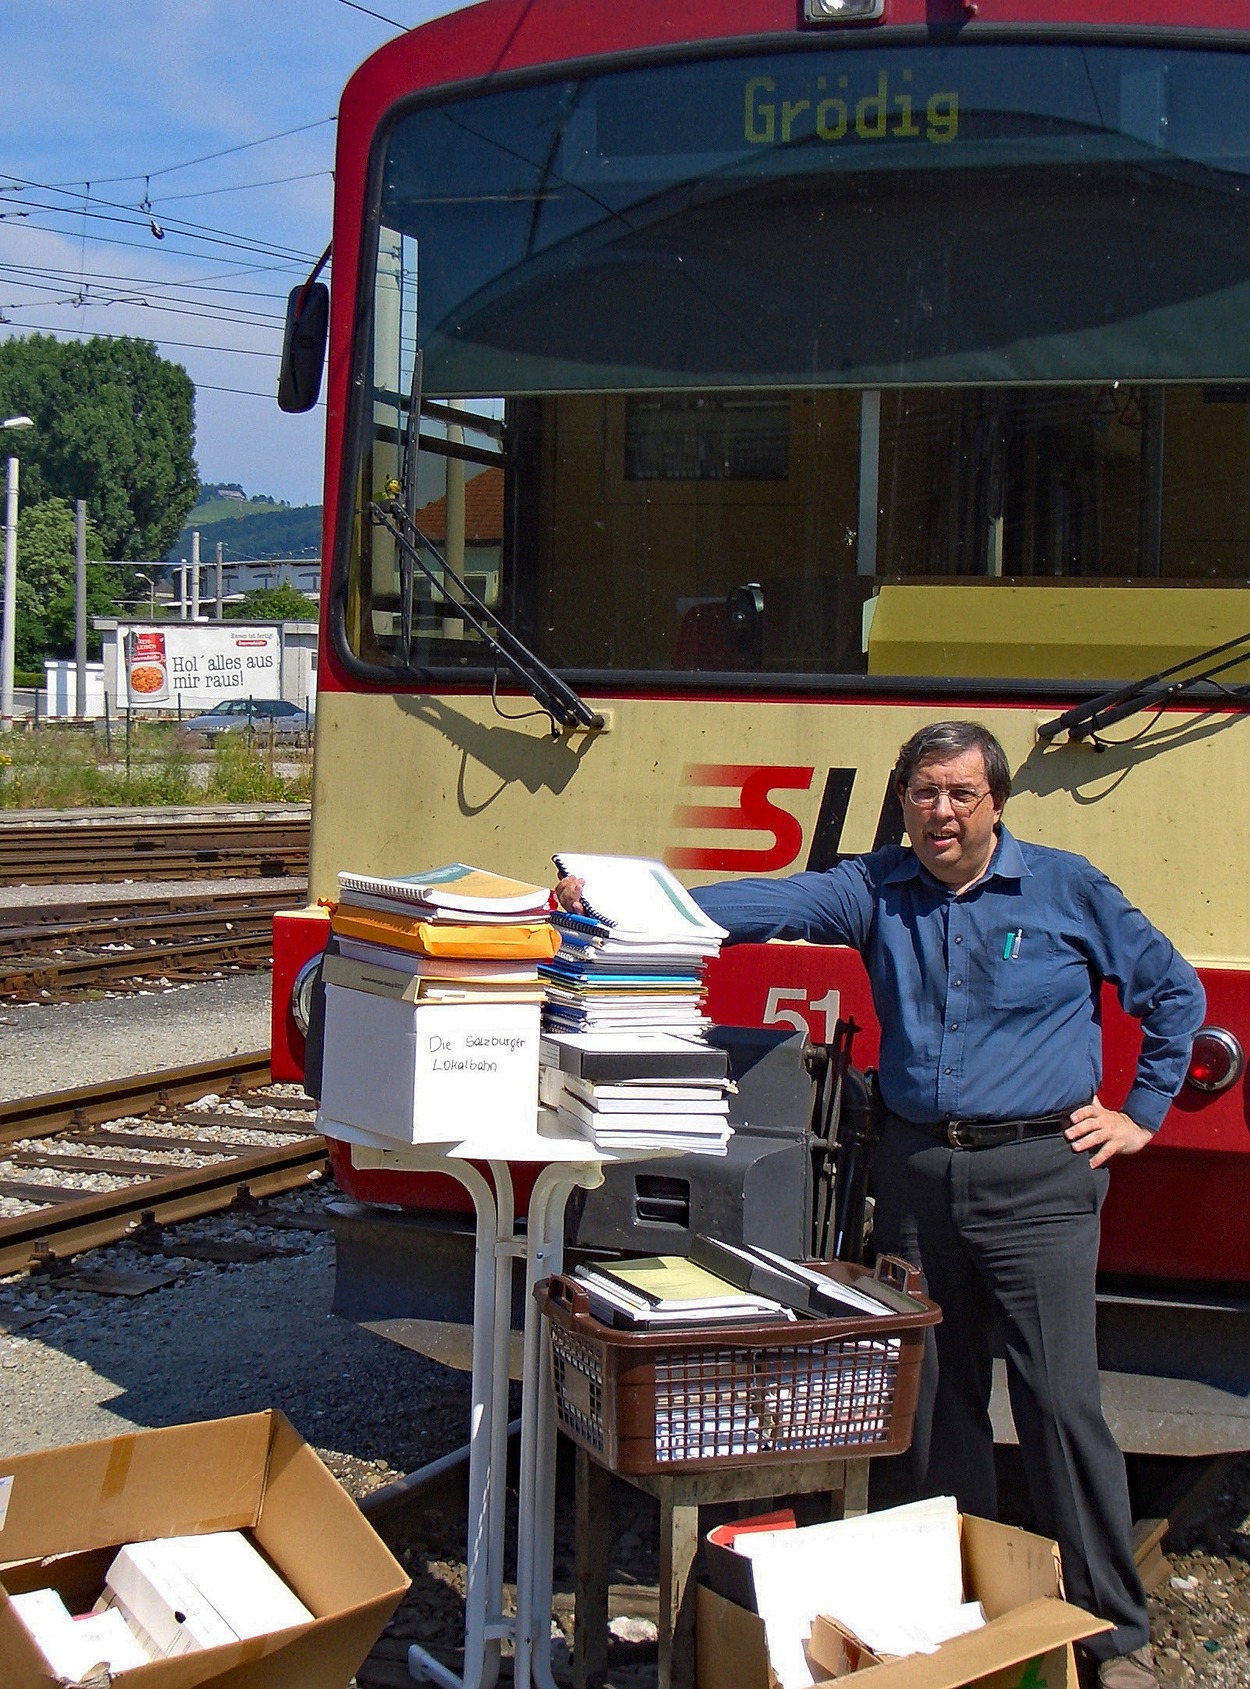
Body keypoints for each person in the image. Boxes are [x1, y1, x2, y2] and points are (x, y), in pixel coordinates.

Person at [557, 719, 1204, 1689]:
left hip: (1038, 1181)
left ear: (994, 804)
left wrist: (1139, 1113)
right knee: (933, 1409)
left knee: (1058, 1407)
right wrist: (615, 901)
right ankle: (951, 1617)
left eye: (958, 794)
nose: (938, 813)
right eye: (921, 794)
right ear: (899, 802)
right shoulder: (871, 889)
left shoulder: (1066, 888)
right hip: (916, 1177)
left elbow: (1173, 996)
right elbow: (759, 903)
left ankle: (1115, 1635)